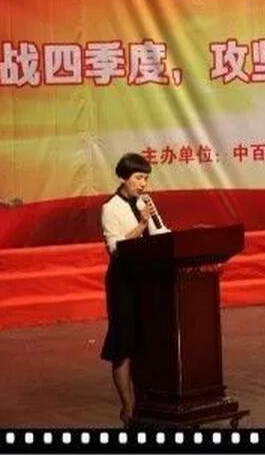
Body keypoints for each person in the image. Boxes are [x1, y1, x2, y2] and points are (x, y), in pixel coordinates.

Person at [100, 152, 158, 428]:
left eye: (145, 178)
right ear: (124, 178)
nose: (143, 184)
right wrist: (142, 224)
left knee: (145, 342)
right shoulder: (110, 208)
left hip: (146, 279)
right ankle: (128, 407)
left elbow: (159, 234)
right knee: (123, 345)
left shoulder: (145, 202)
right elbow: (116, 248)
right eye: (138, 178)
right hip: (123, 282)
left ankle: (145, 403)